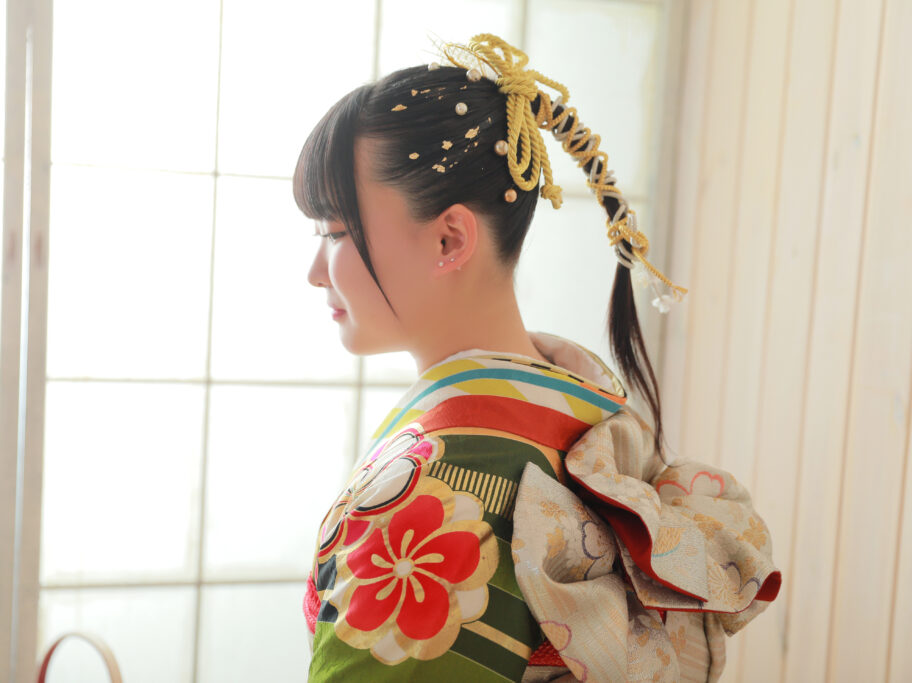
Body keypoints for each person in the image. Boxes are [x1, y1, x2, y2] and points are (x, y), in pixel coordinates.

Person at [297, 33, 781, 682]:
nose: (314, 271)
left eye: (334, 231)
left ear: (449, 239)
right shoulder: (592, 411)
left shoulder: (435, 489)